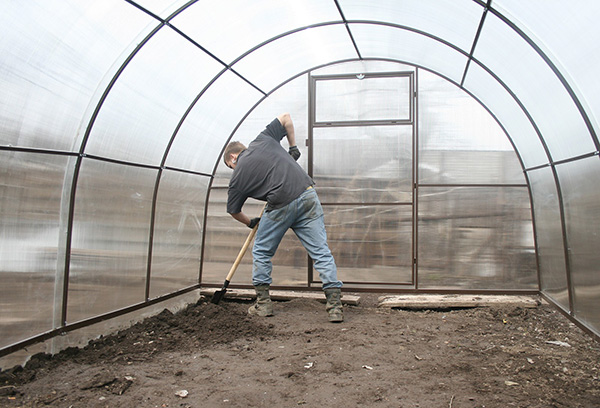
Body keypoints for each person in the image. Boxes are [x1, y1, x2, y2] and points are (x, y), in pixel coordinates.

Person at [223, 112, 343, 322]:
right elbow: (286, 117)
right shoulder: (263, 139)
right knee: (321, 252)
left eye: (230, 166)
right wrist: (293, 148)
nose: (233, 169)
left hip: (280, 204)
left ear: (233, 157)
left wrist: (250, 222)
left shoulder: (237, 178)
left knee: (261, 250)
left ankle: (263, 304)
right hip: (307, 195)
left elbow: (233, 211)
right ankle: (335, 307)